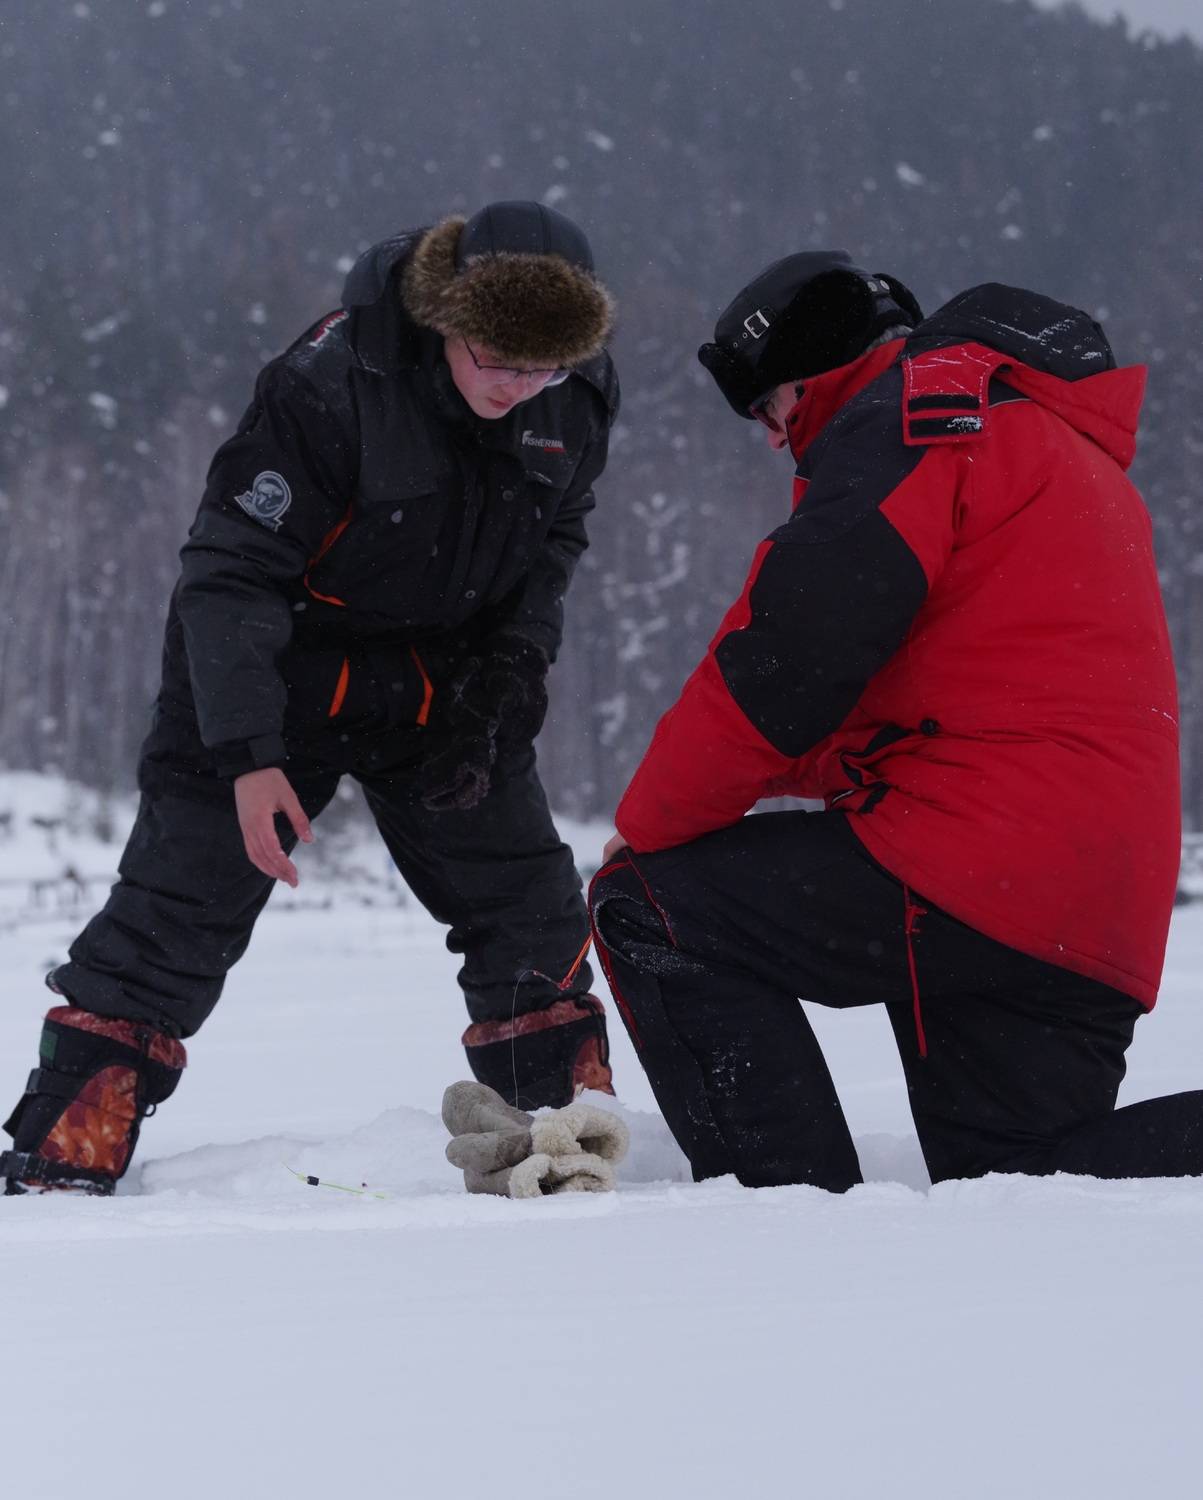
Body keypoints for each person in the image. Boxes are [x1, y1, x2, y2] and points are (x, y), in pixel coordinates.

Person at [2, 200, 620, 1196]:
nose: (518, 386)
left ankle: (565, 1145)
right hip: (273, 672)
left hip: (438, 685)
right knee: (174, 915)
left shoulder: (574, 399)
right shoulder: (329, 385)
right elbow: (228, 574)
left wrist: (509, 678)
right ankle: (59, 1163)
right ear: (445, 320)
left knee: (529, 912)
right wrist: (248, 757)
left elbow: (553, 544)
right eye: (497, 358)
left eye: (543, 367)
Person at [589, 251, 1203, 1191]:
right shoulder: (1038, 436)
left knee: (649, 907)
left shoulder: (913, 420)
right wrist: (761, 778)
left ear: (809, 374)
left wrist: (648, 826)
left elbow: (788, 654)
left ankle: (786, 1217)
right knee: (1020, 1181)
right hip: (1094, 894)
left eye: (767, 409)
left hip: (976, 860)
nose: (772, 439)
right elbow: (894, 700)